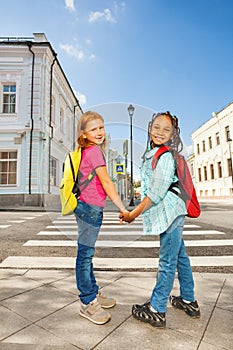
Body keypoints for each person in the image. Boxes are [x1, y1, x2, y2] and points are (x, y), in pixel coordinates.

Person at [119, 111, 200, 328]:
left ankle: (157, 309)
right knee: (179, 256)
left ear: (173, 134)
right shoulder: (154, 152)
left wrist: (132, 215)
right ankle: (188, 300)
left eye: (166, 129)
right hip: (171, 213)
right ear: (149, 127)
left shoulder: (166, 156)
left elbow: (155, 193)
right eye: (157, 127)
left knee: (167, 261)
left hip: (171, 212)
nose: (160, 132)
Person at [74, 111, 128, 325]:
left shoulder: (86, 151)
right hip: (89, 208)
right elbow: (106, 182)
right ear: (84, 134)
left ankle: (92, 293)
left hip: (87, 206)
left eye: (101, 128)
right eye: (94, 129)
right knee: (85, 255)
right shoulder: (93, 151)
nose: (99, 132)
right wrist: (123, 208)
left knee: (87, 254)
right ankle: (87, 302)